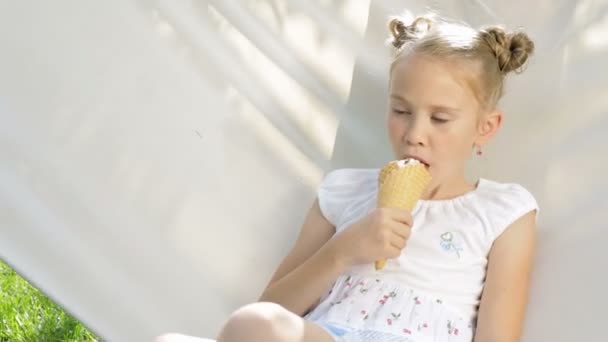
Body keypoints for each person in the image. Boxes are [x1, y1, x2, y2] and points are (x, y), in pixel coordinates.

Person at [157, 11, 539, 342]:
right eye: (401, 111)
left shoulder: (501, 211)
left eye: (440, 118)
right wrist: (343, 251)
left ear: (485, 128)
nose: (414, 133)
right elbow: (269, 312)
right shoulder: (344, 191)